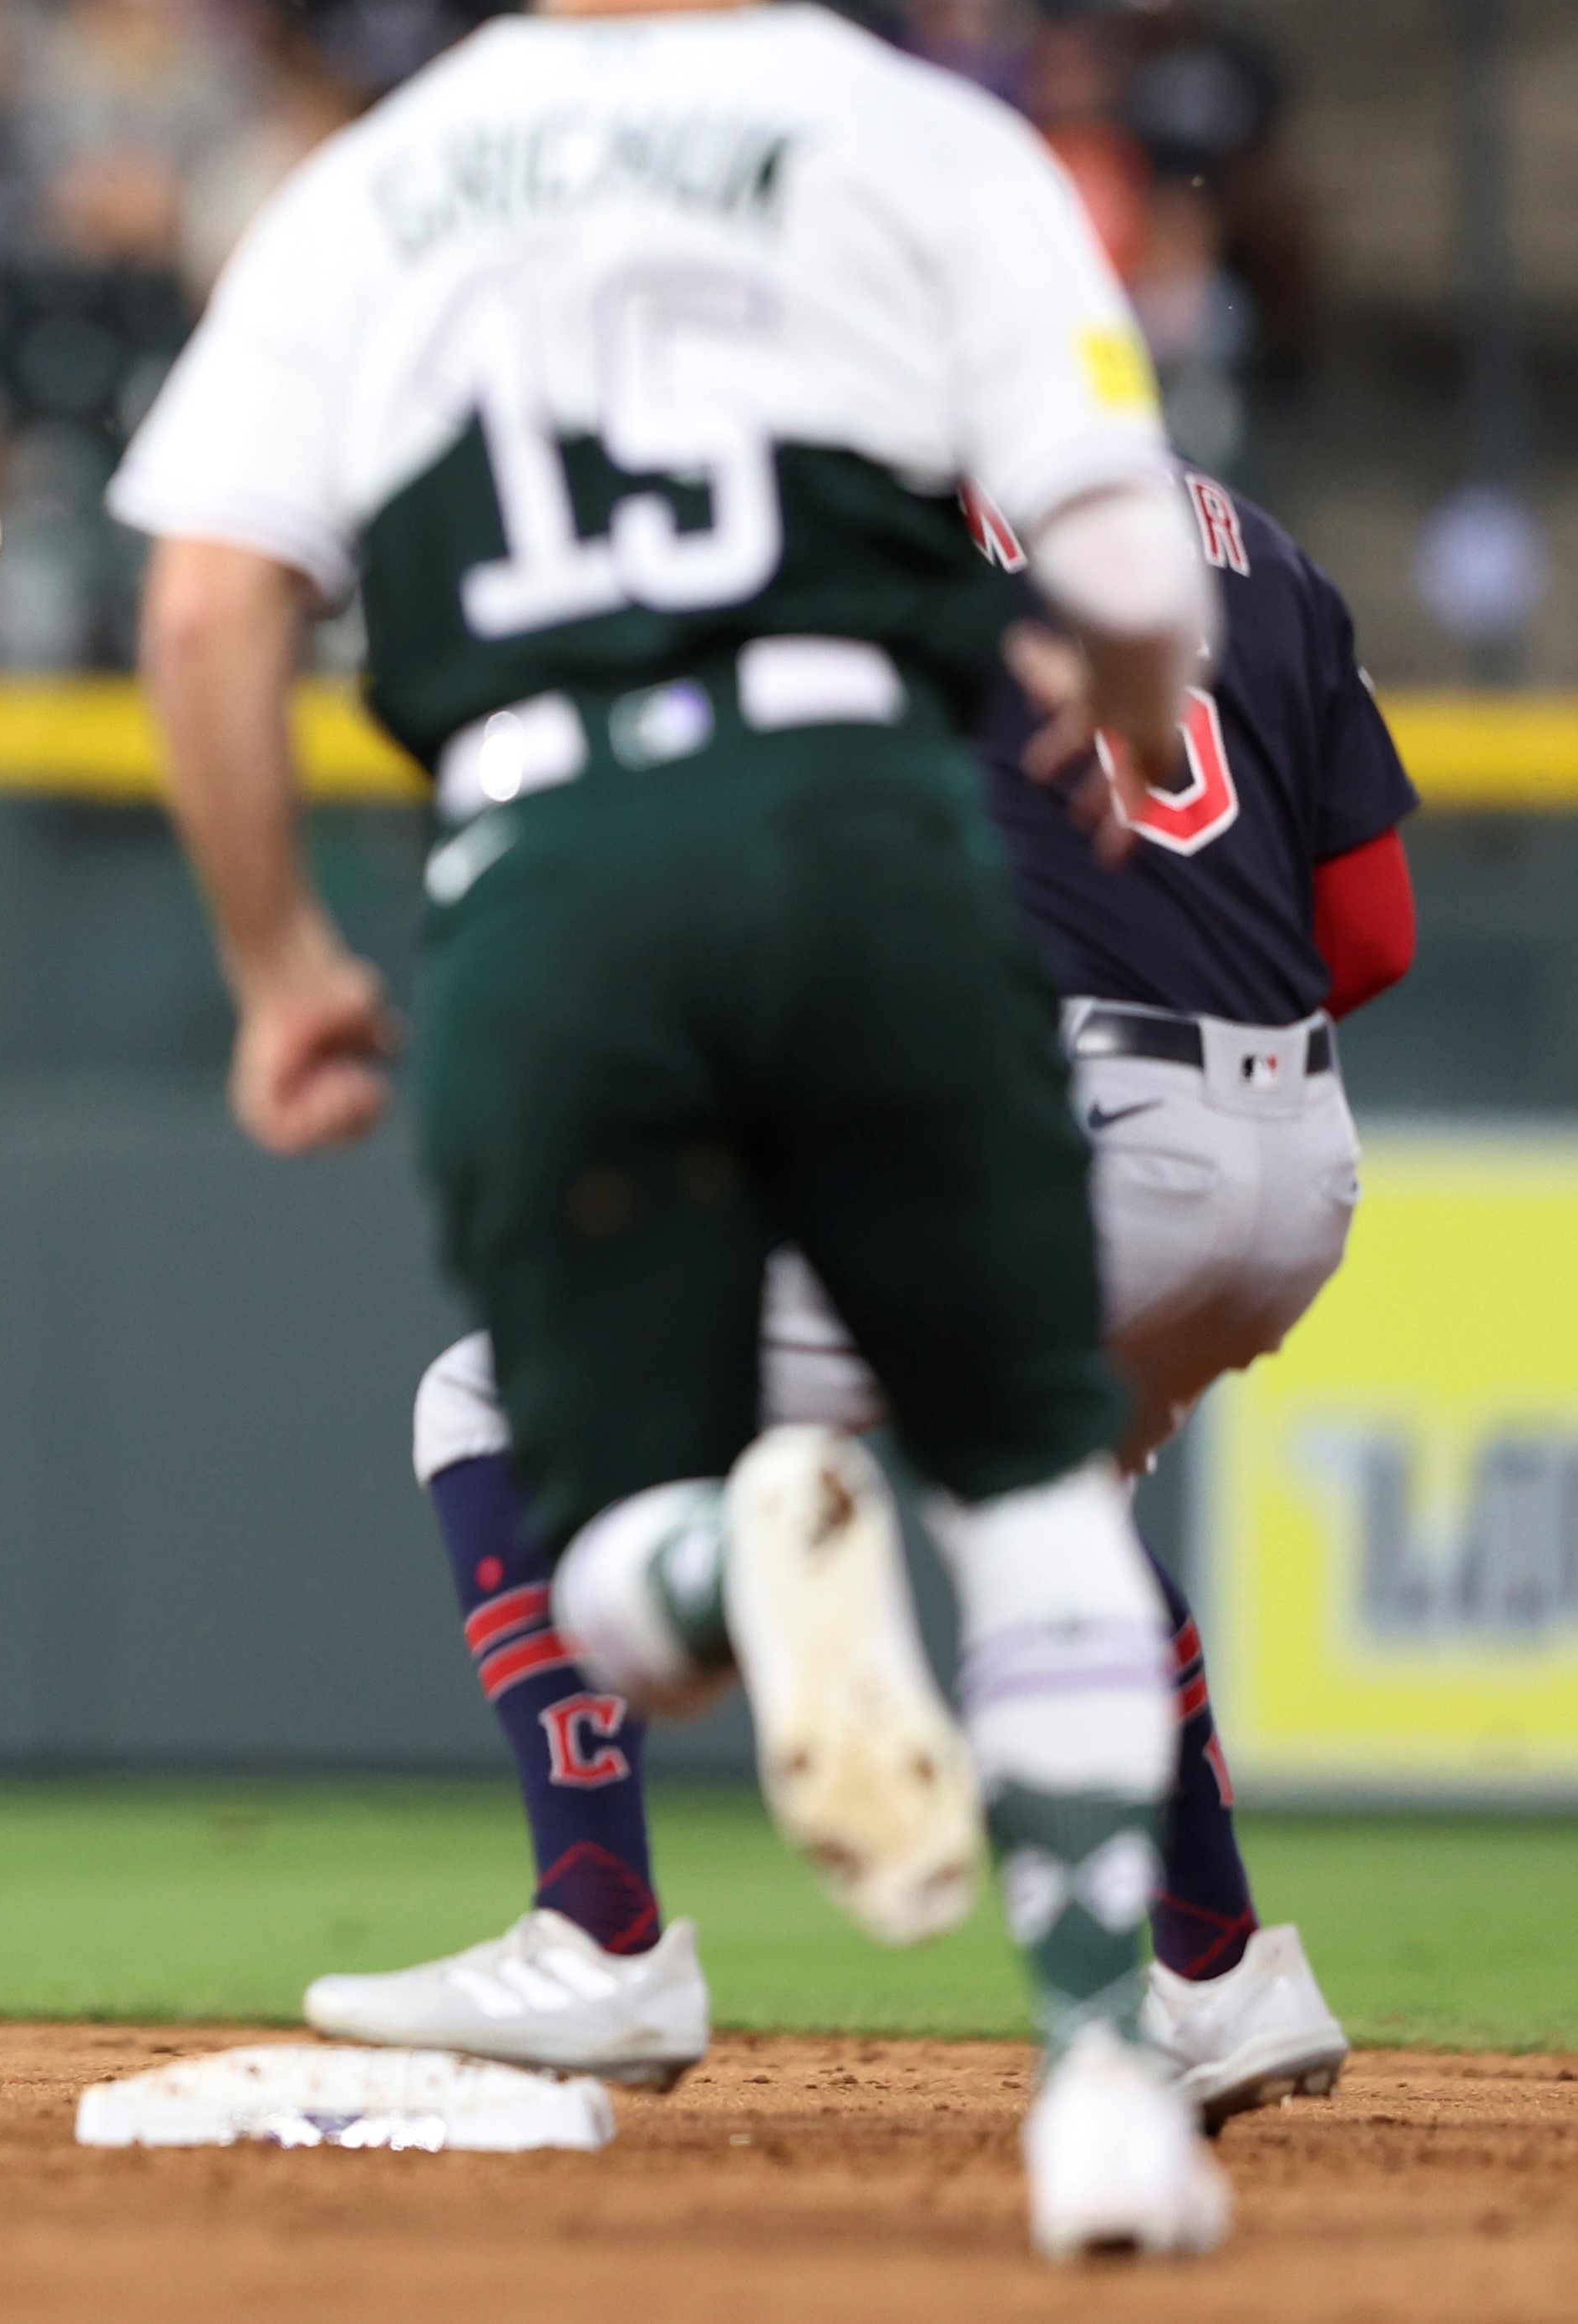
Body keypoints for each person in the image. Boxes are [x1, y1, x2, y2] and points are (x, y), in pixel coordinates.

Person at [113, 0, 1235, 2259]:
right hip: (865, 824)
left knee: (598, 1544)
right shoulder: (926, 137)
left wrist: (284, 968)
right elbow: (1128, 567)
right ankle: (1104, 2087)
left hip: (544, 866)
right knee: (1027, 1469)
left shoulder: (377, 182)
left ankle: (743, 1554)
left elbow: (202, 614)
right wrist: (1115, 672)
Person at [307, 467, 1413, 2134]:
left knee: (484, 1402)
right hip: (1291, 1160)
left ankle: (597, 1929)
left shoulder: (850, 523)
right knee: (1050, 1505)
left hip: (1063, 1123)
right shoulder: (1260, 540)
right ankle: (1218, 1975)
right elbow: (1372, 929)